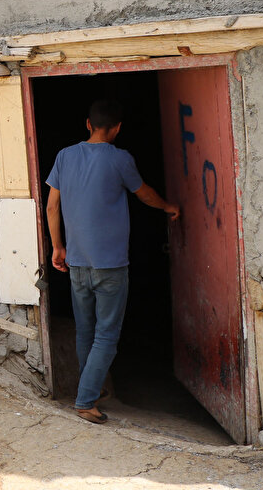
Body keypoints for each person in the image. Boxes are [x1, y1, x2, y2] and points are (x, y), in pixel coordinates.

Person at [45, 98, 180, 425]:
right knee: (106, 335)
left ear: (88, 124)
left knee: (85, 332)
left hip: (77, 262)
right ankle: (85, 400)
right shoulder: (120, 159)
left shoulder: (64, 156)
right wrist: (167, 207)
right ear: (117, 128)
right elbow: (143, 193)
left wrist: (57, 247)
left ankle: (90, 389)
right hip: (110, 266)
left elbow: (51, 207)